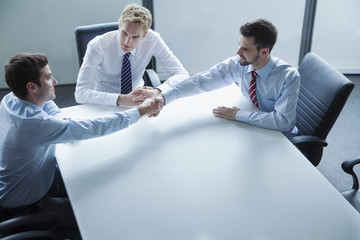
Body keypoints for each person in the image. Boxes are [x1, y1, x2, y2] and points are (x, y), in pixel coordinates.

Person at [0, 53, 161, 224]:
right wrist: (140, 111)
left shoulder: (11, 99)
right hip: (24, 204)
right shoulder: (36, 124)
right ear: (32, 87)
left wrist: (63, 124)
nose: (55, 82)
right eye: (48, 78)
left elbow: (44, 101)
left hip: (24, 181)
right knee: (98, 215)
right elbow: (95, 126)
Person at [158, 19, 300, 137]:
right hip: (252, 131)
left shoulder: (288, 76)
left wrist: (238, 115)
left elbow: (283, 122)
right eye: (239, 46)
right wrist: (163, 98)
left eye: (245, 48)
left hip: (279, 138)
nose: (238, 52)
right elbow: (202, 80)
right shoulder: (238, 63)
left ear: (264, 52)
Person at [74, 3, 189, 106]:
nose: (126, 41)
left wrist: (157, 90)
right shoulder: (98, 45)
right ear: (119, 27)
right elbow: (80, 93)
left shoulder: (153, 40)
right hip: (103, 101)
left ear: (144, 36)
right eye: (124, 33)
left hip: (137, 101)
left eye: (135, 37)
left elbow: (182, 74)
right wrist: (123, 99)